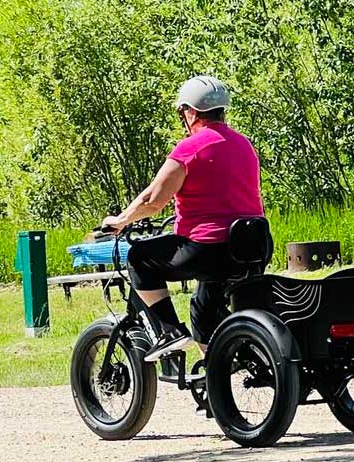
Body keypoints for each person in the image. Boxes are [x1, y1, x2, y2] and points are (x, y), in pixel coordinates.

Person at [101, 75, 265, 362]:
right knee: (204, 310)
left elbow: (153, 200)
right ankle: (219, 378)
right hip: (252, 247)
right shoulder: (244, 145)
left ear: (190, 112)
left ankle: (169, 331)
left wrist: (122, 219)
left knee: (140, 257)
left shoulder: (191, 147)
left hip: (207, 249)